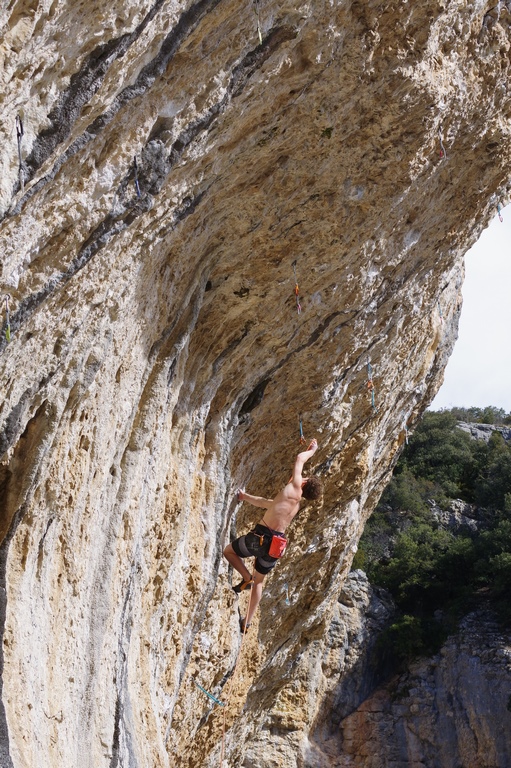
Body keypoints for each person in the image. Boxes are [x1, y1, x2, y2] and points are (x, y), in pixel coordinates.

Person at [223, 439, 323, 632]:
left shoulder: (294, 487)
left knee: (229, 551)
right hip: (276, 546)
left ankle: (245, 576)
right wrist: (245, 497)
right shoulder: (295, 504)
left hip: (261, 537)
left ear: (305, 482)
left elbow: (299, 459)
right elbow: (267, 504)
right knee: (259, 581)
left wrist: (312, 450)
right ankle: (247, 621)